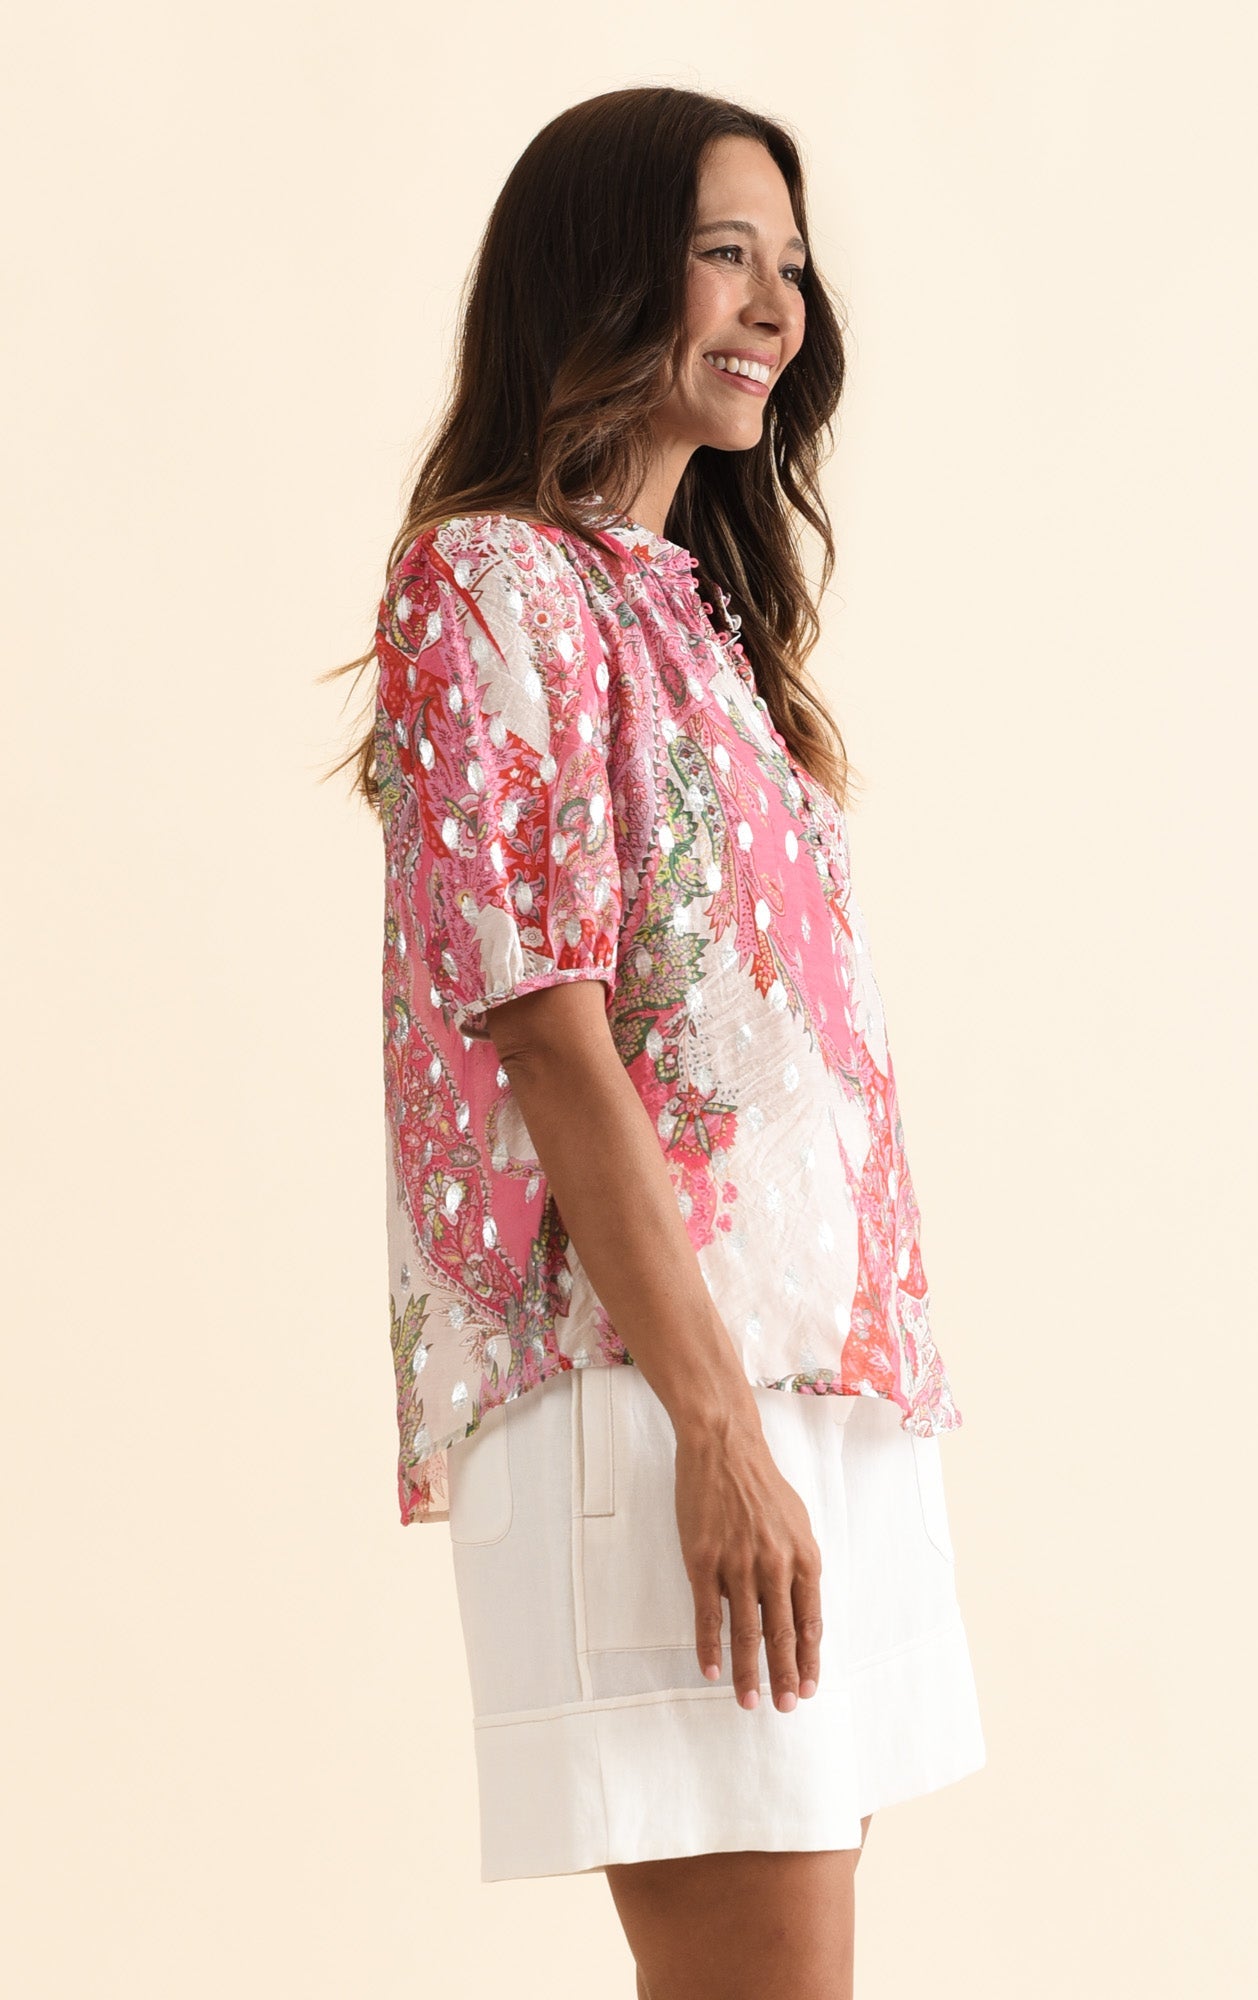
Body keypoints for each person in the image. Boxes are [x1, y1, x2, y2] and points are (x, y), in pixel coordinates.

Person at [326, 84, 985, 2000]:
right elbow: (547, 1035)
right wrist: (714, 1429)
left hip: (809, 1382)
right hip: (662, 1382)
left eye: (792, 265)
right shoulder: (486, 583)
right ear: (603, 269)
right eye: (723, 254)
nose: (777, 304)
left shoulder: (697, 621)